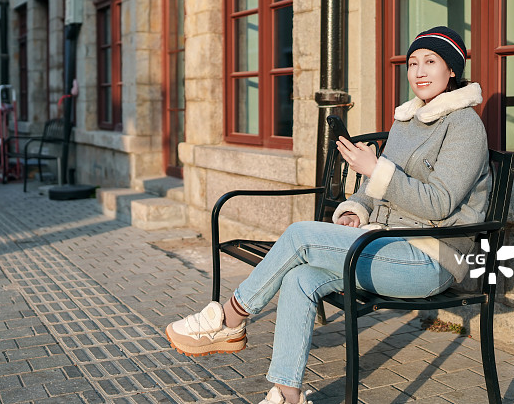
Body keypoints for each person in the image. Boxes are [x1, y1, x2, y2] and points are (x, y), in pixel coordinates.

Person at [165, 26, 491, 404]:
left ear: (452, 69)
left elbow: (438, 204)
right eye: (412, 62)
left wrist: (376, 171)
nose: (418, 71)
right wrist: (356, 210)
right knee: (301, 278)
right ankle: (288, 394)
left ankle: (230, 318)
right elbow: (374, 190)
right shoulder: (407, 121)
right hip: (382, 243)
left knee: (301, 234)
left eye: (430, 62)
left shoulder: (465, 125)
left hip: (428, 258)